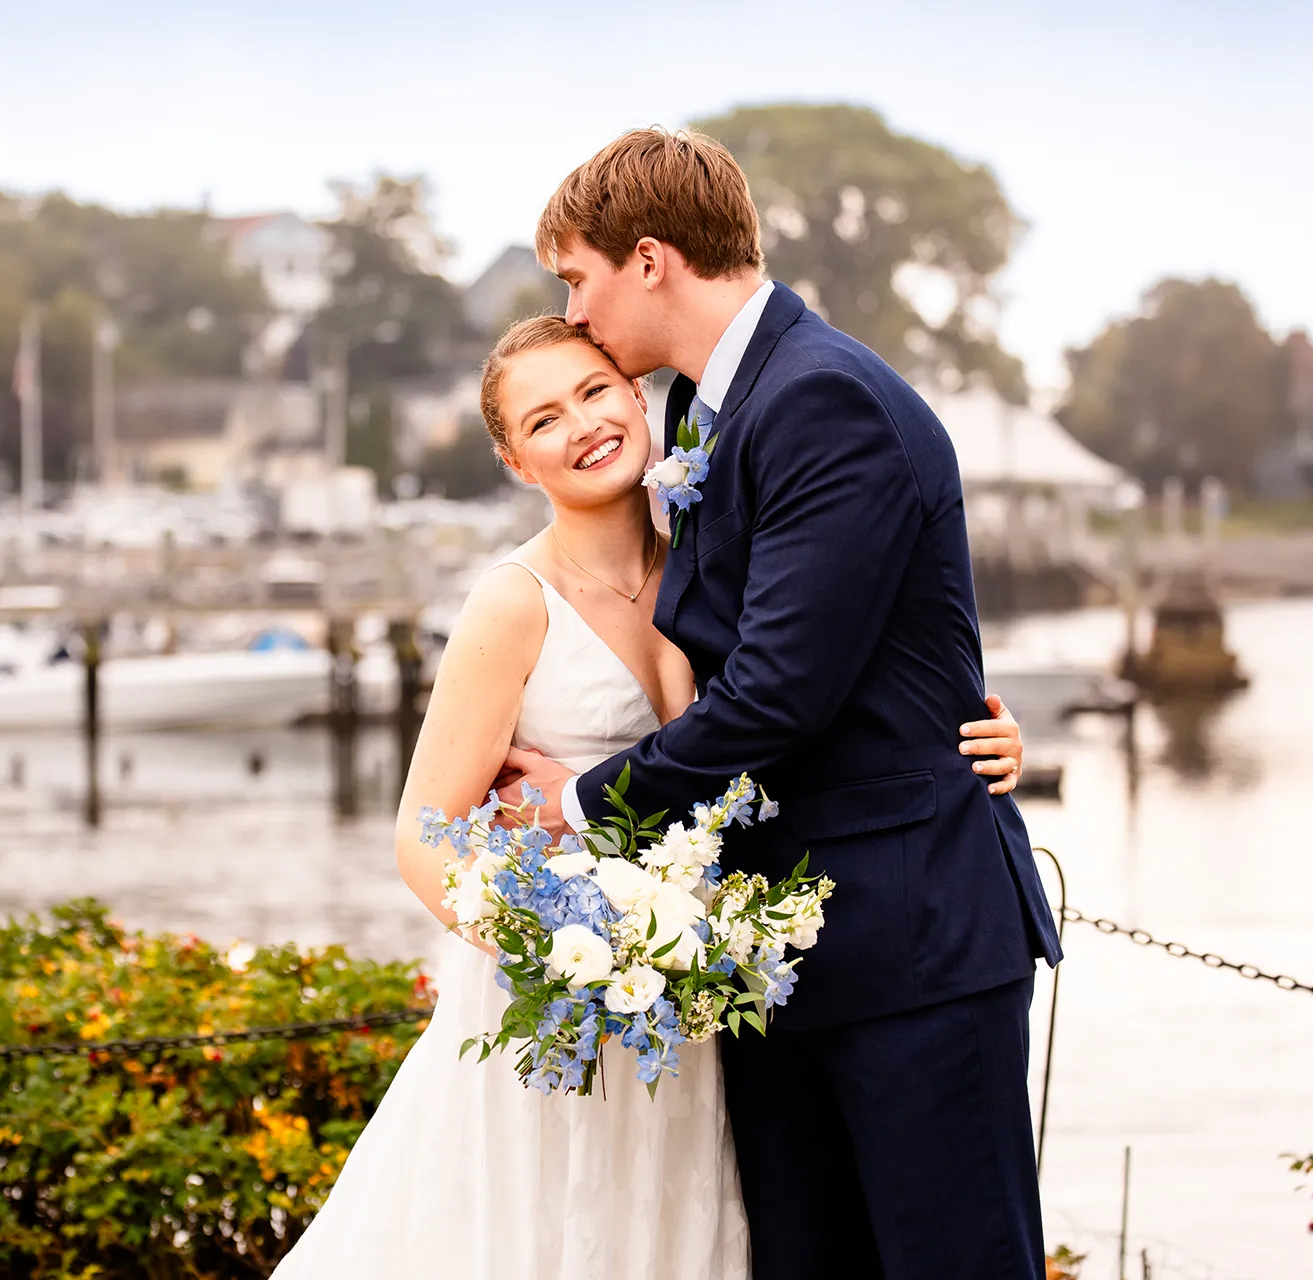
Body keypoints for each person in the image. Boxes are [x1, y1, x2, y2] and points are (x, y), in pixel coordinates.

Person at [270, 312, 1028, 1275]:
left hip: (700, 1014)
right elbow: (425, 836)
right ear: (515, 461)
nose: (582, 424)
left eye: (593, 391)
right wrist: (564, 951)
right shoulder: (512, 603)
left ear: (639, 396)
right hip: (568, 1006)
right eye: (543, 420)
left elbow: (818, 684)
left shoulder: (719, 558)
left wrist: (979, 727)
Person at [494, 128, 1063, 1279]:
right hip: (782, 951)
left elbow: (777, 697)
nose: (576, 307)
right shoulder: (716, 412)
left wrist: (578, 803)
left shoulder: (821, 400)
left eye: (578, 277)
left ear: (649, 259)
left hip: (909, 943)